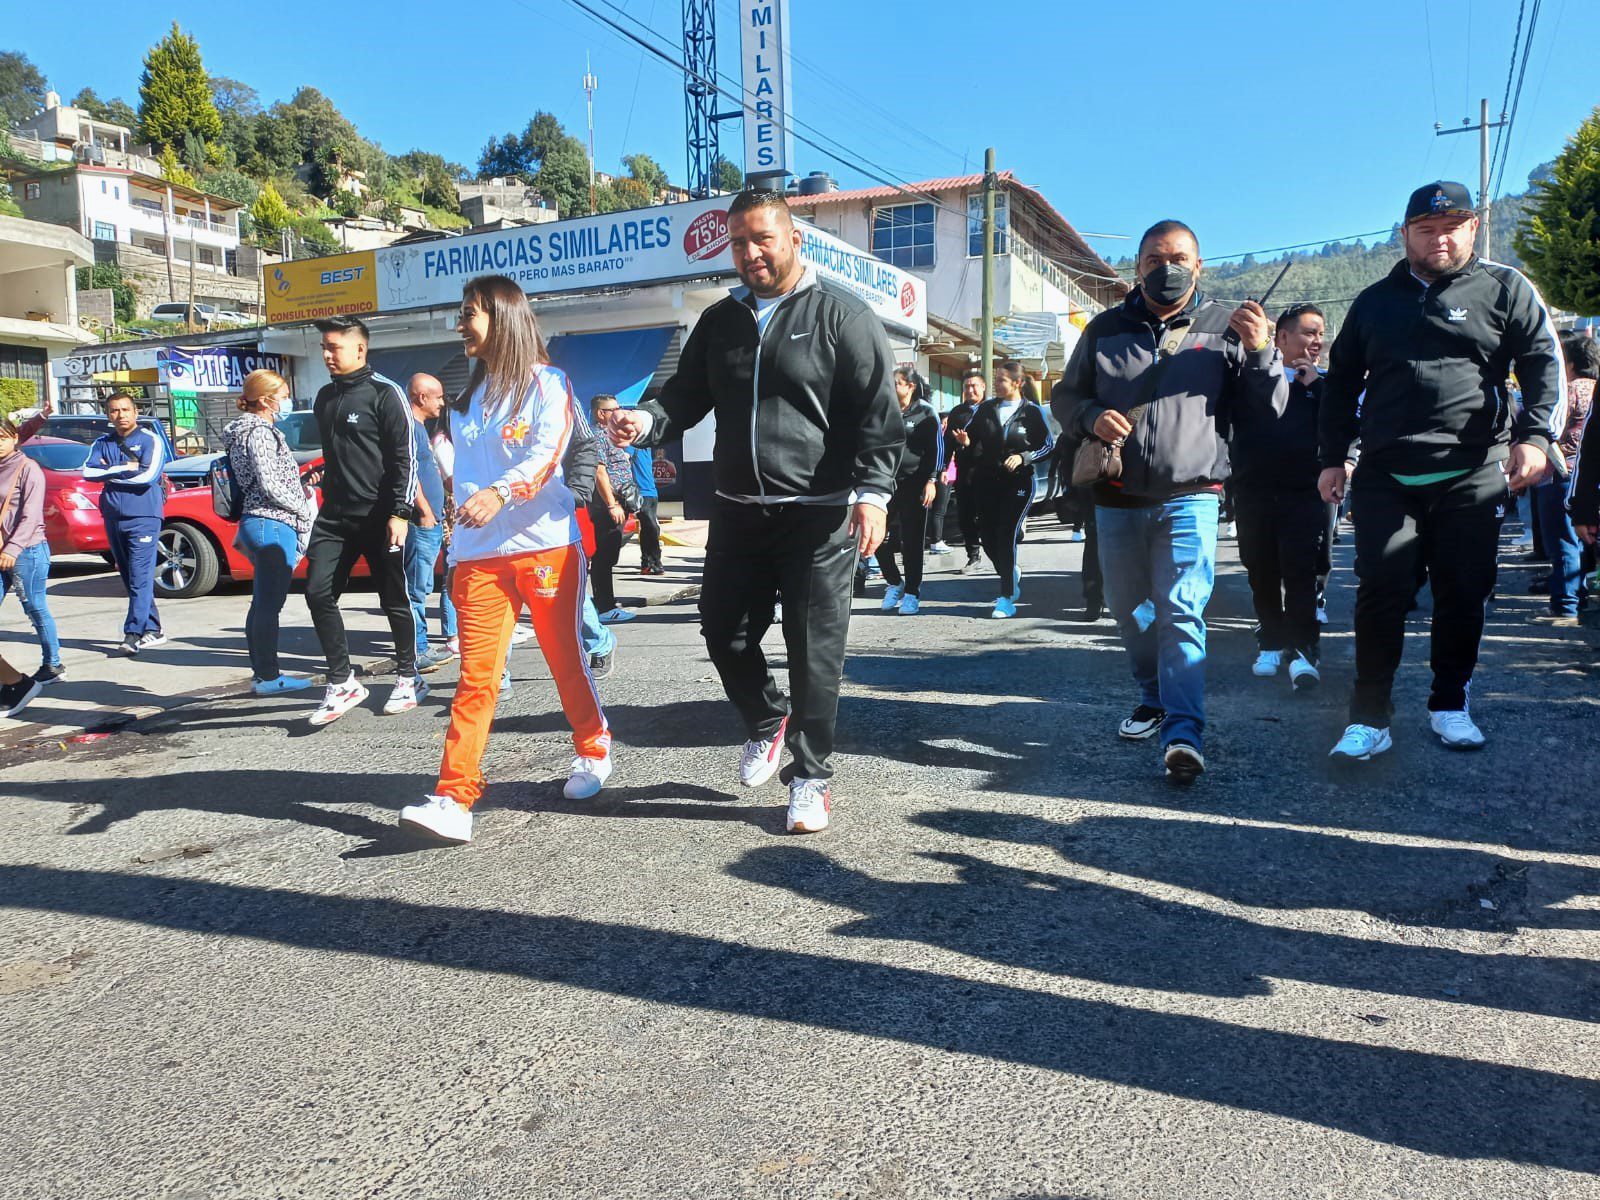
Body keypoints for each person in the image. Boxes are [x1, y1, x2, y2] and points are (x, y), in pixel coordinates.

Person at [607, 188, 903, 834]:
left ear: (795, 239)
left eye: (762, 238)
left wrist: (874, 494)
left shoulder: (842, 317)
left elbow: (879, 418)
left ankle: (812, 776)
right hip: (739, 514)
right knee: (722, 631)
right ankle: (767, 721)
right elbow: (684, 398)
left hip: (817, 519)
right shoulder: (720, 321)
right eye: (738, 242)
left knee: (813, 654)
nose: (750, 253)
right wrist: (646, 420)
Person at [1319, 180, 1564, 760]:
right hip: (1386, 473)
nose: (1439, 240)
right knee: (1380, 590)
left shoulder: (1505, 289)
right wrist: (1332, 456)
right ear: (1404, 235)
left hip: (1471, 470)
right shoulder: (1373, 302)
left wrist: (1533, 437)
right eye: (1425, 230)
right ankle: (1369, 718)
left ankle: (1450, 703)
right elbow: (1340, 385)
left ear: (1473, 228)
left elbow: (1541, 362)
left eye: (1451, 228)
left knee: (1463, 592)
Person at [1055, 219, 1284, 782]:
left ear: (1199, 266)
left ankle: (1184, 733)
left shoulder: (1227, 329)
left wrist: (1261, 353)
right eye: (1155, 259)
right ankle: (1153, 694)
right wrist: (1089, 416)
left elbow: (1269, 410)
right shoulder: (1105, 328)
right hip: (1116, 497)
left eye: (1179, 257)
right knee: (1130, 612)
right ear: (1137, 268)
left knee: (1181, 610)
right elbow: (1064, 395)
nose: (1167, 268)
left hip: (1192, 496)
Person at [398, 275, 612, 844]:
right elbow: (459, 476)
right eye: (461, 314)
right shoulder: (464, 401)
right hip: (477, 557)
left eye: (470, 314)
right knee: (476, 678)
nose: (460, 324)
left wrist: (503, 492)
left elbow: (549, 455)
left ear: (504, 318)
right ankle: (454, 797)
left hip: (546, 546)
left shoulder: (549, 384)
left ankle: (593, 748)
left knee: (565, 660)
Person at [302, 316, 425, 726]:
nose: (325, 355)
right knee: (318, 592)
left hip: (381, 516)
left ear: (359, 349)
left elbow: (404, 459)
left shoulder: (385, 394)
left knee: (393, 599)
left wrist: (401, 512)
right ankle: (342, 682)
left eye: (333, 347)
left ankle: (409, 676)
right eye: (323, 347)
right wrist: (322, 473)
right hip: (335, 516)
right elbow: (343, 453)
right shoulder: (324, 397)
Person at [1229, 302, 1329, 690]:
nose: (1316, 341)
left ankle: (1304, 649)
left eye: (1320, 333)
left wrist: (1317, 385)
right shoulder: (1250, 377)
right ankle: (1271, 640)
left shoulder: (1324, 385)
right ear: (1281, 337)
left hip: (1305, 493)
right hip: (1254, 491)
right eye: (1308, 332)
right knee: (1261, 569)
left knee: (1301, 574)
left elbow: (1346, 427)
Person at [222, 370, 317, 694]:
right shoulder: (260, 431)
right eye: (283, 393)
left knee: (262, 603)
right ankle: (268, 675)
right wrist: (300, 507)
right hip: (272, 522)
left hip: (259, 520)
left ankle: (264, 673)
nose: (287, 400)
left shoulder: (243, 431)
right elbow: (269, 482)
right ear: (265, 399)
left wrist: (301, 484)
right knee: (268, 605)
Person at [965, 360, 1053, 619]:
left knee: (1006, 534)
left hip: (1019, 482)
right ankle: (1009, 570)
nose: (997, 384)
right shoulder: (985, 409)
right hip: (988, 481)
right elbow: (972, 437)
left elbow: (1048, 445)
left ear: (1018, 383)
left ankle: (1006, 598)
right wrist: (964, 440)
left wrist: (1024, 457)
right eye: (996, 380)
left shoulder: (1032, 412)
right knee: (988, 537)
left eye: (1002, 380)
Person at [83, 392, 166, 655]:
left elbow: (147, 477)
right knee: (129, 576)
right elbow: (88, 471)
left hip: (143, 516)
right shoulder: (102, 442)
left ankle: (132, 633)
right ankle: (153, 628)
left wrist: (109, 473)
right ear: (108, 415)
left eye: (125, 410)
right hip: (113, 516)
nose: (120, 415)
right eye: (114, 411)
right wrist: (125, 467)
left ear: (135, 412)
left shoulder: (150, 439)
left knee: (140, 577)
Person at [1528, 333, 1595, 626]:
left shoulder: (1569, 390)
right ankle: (1577, 598)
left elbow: (1552, 429)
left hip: (1561, 474)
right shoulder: (1594, 387)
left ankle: (1565, 606)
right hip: (1585, 477)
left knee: (1562, 541)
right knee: (1580, 542)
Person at [0, 412, 62, 687]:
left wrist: (12, 549)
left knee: (35, 607)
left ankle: (53, 664)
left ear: (14, 438)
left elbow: (31, 516)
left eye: (2, 437)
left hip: (27, 551)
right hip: (3, 549)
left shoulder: (28, 469)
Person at [877, 366, 940, 615]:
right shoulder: (885, 410)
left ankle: (912, 592)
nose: (891, 387)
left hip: (915, 483)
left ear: (910, 387)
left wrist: (932, 480)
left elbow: (937, 449)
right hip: (886, 483)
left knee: (911, 541)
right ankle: (894, 582)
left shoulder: (925, 413)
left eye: (896, 383)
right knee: (875, 538)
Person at [403, 373, 454, 673]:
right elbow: (409, 471)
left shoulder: (420, 428)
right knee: (415, 589)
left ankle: (419, 647)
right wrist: (423, 509)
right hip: (421, 522)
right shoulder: (410, 428)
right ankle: (418, 650)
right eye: (438, 397)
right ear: (421, 397)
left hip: (432, 520)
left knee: (421, 586)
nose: (442, 403)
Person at [588, 393, 639, 624]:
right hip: (608, 504)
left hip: (620, 501)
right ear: (601, 414)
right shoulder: (598, 437)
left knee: (609, 554)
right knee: (604, 556)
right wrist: (612, 504)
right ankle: (605, 607)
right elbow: (600, 472)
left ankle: (605, 603)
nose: (618, 413)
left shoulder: (610, 436)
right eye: (613, 410)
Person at [945, 369, 988, 573]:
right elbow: (947, 443)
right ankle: (973, 556)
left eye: (974, 386)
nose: (970, 390)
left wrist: (970, 443)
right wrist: (943, 468)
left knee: (988, 514)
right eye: (967, 387)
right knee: (966, 516)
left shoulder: (991, 410)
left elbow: (996, 440)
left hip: (988, 471)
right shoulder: (957, 413)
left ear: (983, 387)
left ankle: (999, 554)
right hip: (964, 471)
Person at [630, 442, 664, 575]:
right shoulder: (630, 448)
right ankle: (656, 561)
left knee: (647, 528)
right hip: (641, 493)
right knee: (652, 527)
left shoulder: (647, 449)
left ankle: (646, 562)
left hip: (652, 493)